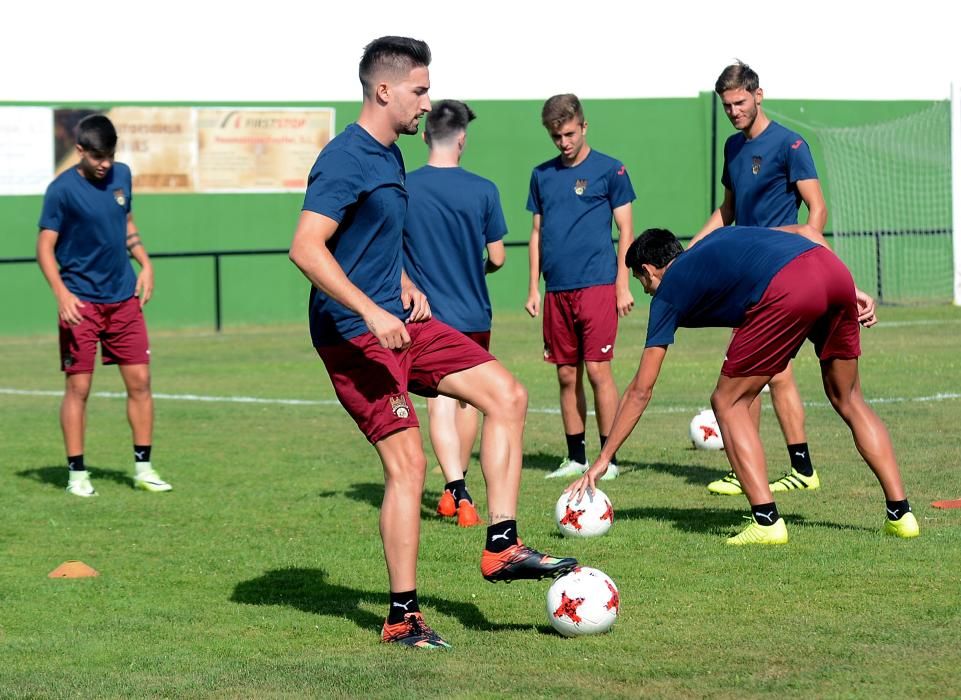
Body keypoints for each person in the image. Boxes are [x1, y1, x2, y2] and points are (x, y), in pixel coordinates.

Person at [288, 37, 577, 650]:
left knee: (508, 394)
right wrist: (369, 309)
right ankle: (401, 617)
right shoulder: (345, 158)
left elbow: (367, 239)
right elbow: (307, 248)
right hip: (353, 336)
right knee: (409, 466)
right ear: (384, 90)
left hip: (402, 318)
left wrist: (401, 280)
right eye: (419, 90)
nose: (427, 102)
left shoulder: (390, 156)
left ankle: (503, 545)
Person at [567, 226, 920, 545]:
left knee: (727, 401)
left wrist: (603, 459)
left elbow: (641, 390)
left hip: (788, 288)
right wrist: (846, 287)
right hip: (831, 271)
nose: (645, 292)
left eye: (641, 282)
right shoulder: (713, 241)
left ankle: (766, 521)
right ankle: (901, 515)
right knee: (850, 398)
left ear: (648, 270)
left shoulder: (667, 292)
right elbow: (803, 230)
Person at [690, 60, 828, 498]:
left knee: (767, 372)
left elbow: (817, 209)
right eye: (727, 105)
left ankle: (795, 468)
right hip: (744, 275)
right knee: (761, 372)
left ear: (758, 95)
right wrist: (691, 250)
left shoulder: (790, 143)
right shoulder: (732, 149)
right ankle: (762, 467)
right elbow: (727, 210)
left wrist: (803, 248)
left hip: (782, 274)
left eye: (740, 102)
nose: (734, 111)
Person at [36, 115, 172, 498]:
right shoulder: (61, 190)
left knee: (141, 384)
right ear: (79, 151)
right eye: (97, 156)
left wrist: (144, 262)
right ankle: (78, 474)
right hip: (81, 303)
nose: (105, 164)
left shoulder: (122, 175)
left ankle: (143, 469)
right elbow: (44, 247)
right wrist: (62, 294)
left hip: (124, 300)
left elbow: (125, 221)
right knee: (78, 388)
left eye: (110, 155)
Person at [403, 99, 507, 528]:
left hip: (427, 316)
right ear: (462, 139)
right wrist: (473, 267)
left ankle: (456, 487)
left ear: (426, 136)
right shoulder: (484, 189)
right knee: (470, 402)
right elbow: (498, 257)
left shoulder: (404, 187)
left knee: (439, 403)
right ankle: (457, 491)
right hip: (474, 313)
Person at [525, 94, 635, 481]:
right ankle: (575, 457)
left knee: (598, 370)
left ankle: (610, 458)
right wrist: (533, 288)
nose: (564, 142)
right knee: (566, 374)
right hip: (557, 290)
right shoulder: (541, 175)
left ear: (584, 127)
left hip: (598, 286)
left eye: (569, 133)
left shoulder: (611, 170)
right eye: (556, 136)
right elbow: (537, 232)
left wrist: (622, 283)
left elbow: (626, 230)